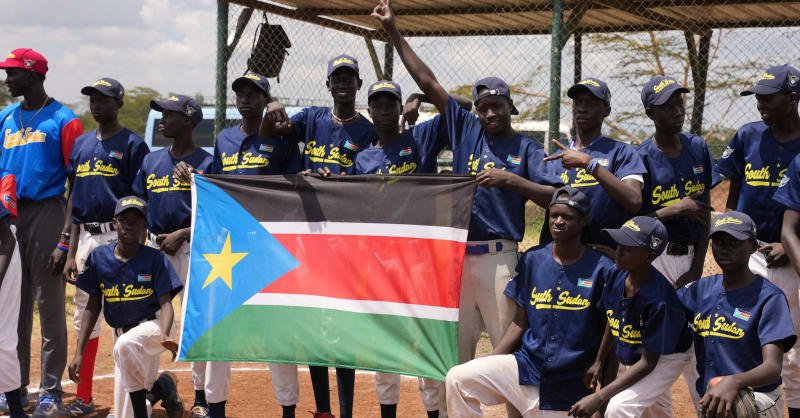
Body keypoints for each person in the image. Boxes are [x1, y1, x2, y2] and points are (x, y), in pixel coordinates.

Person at [372, 3, 562, 415]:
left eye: (498, 106)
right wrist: (394, 30)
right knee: (453, 360)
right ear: (474, 110)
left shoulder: (525, 148)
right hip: (457, 258)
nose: (491, 113)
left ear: (510, 108)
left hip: (500, 259)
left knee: (508, 357)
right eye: (483, 106)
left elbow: (557, 199)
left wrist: (513, 181)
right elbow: (427, 79)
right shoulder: (466, 128)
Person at [175, 73, 302, 418]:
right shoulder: (224, 139)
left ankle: (287, 407)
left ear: (265, 99)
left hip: (269, 247)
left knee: (278, 331)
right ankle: (216, 407)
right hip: (228, 248)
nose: (245, 98)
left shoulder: (281, 140)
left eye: (253, 93)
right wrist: (196, 180)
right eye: (240, 93)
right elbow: (216, 189)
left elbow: (293, 189)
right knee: (220, 327)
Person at [258, 55, 377, 418]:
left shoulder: (368, 131)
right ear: (327, 85)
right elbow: (267, 135)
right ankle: (323, 410)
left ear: (358, 84)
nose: (343, 84)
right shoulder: (311, 118)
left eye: (349, 78)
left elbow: (369, 187)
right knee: (313, 325)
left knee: (341, 328)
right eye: (336, 78)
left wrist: (340, 183)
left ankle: (345, 412)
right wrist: (270, 108)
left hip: (345, 238)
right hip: (309, 236)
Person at [445, 187, 620, 416]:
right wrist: (490, 364)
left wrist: (600, 404)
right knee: (458, 378)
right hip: (525, 369)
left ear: (584, 221)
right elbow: (519, 323)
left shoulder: (602, 268)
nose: (557, 221)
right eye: (554, 215)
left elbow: (613, 339)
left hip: (569, 386)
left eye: (566, 217)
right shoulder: (533, 259)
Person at [353, 80, 449, 418]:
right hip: (379, 260)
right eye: (376, 104)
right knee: (385, 344)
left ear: (399, 108)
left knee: (425, 340)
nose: (383, 109)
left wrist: (422, 97)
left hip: (421, 258)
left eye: (390, 103)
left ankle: (434, 412)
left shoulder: (420, 139)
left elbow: (461, 109)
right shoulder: (363, 157)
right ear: (369, 111)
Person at [58, 77, 149, 417]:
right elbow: (74, 200)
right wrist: (69, 248)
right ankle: (84, 398)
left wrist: (137, 247)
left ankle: (137, 398)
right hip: (86, 239)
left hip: (120, 236)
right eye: (93, 98)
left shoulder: (132, 144)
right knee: (86, 320)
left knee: (126, 318)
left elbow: (141, 201)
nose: (96, 104)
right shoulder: (81, 145)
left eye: (104, 99)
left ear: (118, 104)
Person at [0, 48, 84, 418]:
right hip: (8, 217)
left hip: (48, 212)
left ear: (32, 75)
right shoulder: (4, 117)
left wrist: (65, 240)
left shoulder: (64, 120)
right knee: (11, 309)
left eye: (13, 73)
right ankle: (12, 388)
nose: (7, 79)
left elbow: (76, 183)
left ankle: (50, 391)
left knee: (49, 306)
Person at [714, 64, 800, 415]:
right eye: (757, 98)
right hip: (751, 254)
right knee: (742, 335)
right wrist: (733, 236)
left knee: (792, 352)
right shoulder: (747, 136)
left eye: (768, 98)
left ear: (793, 99)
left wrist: (788, 243)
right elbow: (732, 195)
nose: (760, 104)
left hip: (792, 257)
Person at [138, 93, 227, 418]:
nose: (162, 118)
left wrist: (183, 233)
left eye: (169, 113)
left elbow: (217, 213)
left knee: (199, 323)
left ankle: (202, 398)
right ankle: (146, 390)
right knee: (148, 323)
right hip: (155, 249)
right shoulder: (151, 160)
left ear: (188, 121)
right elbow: (140, 204)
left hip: (194, 249)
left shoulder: (206, 163)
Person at [68, 196, 184, 418]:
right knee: (124, 414)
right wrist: (79, 351)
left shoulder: (154, 258)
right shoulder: (99, 257)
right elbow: (92, 305)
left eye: (136, 220)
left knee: (125, 344)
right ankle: (164, 387)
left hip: (155, 327)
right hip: (123, 336)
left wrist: (165, 334)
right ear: (115, 223)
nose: (129, 225)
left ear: (144, 225)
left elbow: (166, 302)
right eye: (124, 219)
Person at [569, 216, 693, 417]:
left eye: (629, 247)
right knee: (653, 409)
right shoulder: (616, 274)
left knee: (619, 408)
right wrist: (599, 361)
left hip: (668, 354)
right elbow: (613, 317)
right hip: (643, 349)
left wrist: (600, 397)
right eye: (620, 243)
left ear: (650, 254)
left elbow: (648, 363)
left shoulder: (659, 300)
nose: (619, 251)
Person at [677, 211, 797, 417]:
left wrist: (735, 381)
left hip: (757, 397)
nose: (725, 247)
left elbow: (773, 367)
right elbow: (662, 306)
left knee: (732, 405)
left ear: (752, 247)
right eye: (719, 241)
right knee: (719, 403)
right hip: (713, 398)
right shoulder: (700, 290)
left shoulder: (769, 298)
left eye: (734, 241)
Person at [542, 78, 646, 247]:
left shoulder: (621, 153)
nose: (582, 109)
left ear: (607, 110)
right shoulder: (556, 158)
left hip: (606, 255)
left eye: (590, 103)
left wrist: (591, 165)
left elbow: (634, 201)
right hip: (563, 256)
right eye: (578, 103)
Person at [637, 76, 712, 288]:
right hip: (653, 257)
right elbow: (634, 223)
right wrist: (676, 209)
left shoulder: (698, 148)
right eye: (668, 107)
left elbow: (705, 214)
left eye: (679, 103)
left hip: (690, 257)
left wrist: (697, 267)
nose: (678, 112)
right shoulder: (640, 158)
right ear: (650, 113)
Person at [0, 171, 24, 418]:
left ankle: (17, 411)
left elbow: (6, 239)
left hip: (3, 257)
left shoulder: (5, 176)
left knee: (2, 338)